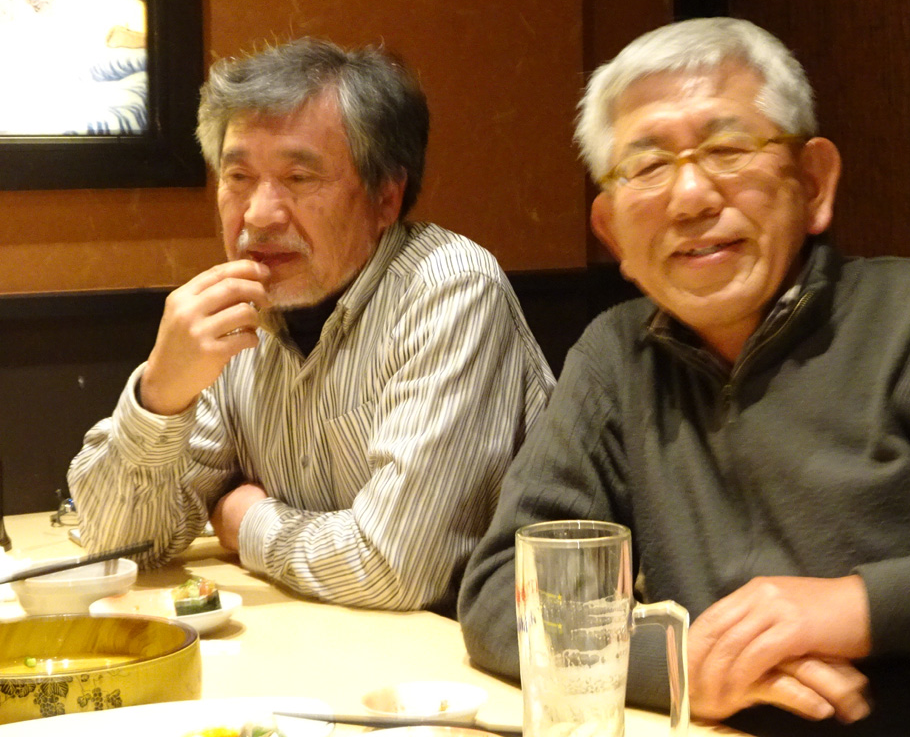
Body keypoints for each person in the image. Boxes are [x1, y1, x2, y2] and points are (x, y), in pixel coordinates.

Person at [458, 18, 910, 735]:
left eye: (727, 149)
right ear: (613, 230)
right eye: (648, 167)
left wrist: (858, 608)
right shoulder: (616, 357)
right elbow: (501, 595)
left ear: (813, 182)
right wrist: (682, 665)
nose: (691, 197)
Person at [69, 38, 553, 613]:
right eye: (238, 176)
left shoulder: (448, 288)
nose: (258, 215)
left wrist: (249, 521)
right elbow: (114, 546)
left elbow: (394, 568)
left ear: (386, 197)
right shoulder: (237, 313)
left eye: (299, 178)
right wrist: (159, 398)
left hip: (483, 654)